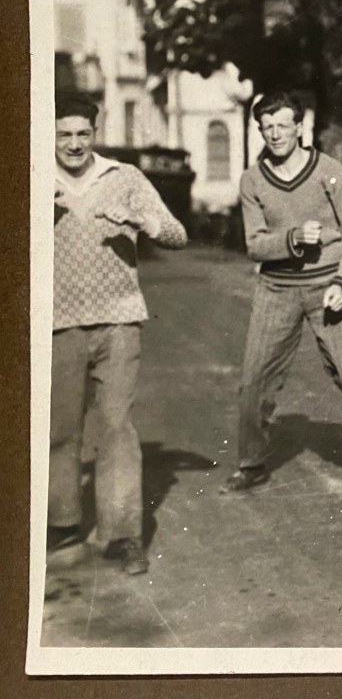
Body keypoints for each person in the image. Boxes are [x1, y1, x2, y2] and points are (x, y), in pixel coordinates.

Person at [221, 92, 342, 494]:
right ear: (260, 130)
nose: (275, 134)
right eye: (267, 127)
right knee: (254, 380)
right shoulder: (253, 180)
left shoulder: (327, 170)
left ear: (299, 127)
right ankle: (252, 463)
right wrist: (293, 238)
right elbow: (256, 245)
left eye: (283, 125)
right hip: (276, 289)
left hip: (328, 286)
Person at [50, 92, 188, 575]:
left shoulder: (124, 178)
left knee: (116, 426)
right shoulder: (31, 180)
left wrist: (142, 219)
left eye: (82, 133)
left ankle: (123, 533)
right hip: (56, 321)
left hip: (119, 317)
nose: (73, 143)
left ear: (95, 132)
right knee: (60, 429)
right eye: (63, 134)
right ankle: (61, 522)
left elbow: (177, 234)